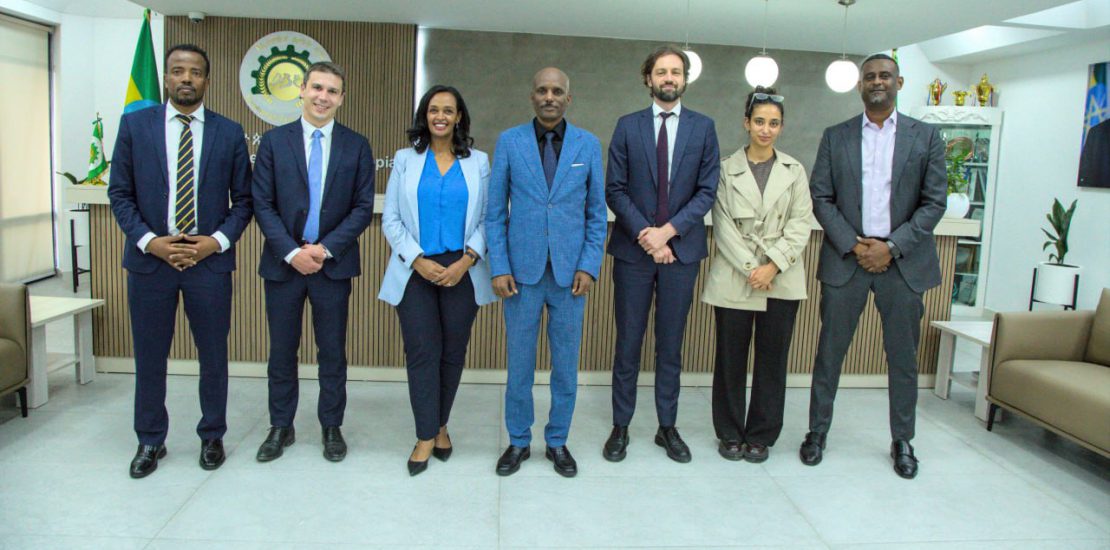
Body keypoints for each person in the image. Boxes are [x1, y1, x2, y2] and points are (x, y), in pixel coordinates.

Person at [108, 44, 253, 478]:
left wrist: (216, 243)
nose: (186, 78)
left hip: (208, 264)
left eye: (195, 72)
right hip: (151, 263)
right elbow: (120, 193)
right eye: (177, 71)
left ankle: (212, 434)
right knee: (150, 356)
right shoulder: (135, 126)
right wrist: (150, 242)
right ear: (167, 78)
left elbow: (244, 201)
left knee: (213, 355)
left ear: (207, 79)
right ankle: (150, 439)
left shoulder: (229, 132)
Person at [802, 53, 946, 479]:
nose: (877, 82)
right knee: (829, 354)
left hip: (903, 264)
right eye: (870, 77)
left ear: (899, 82)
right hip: (847, 260)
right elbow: (820, 196)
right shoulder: (836, 136)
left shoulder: (926, 137)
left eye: (885, 76)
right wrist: (855, 244)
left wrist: (892, 247)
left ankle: (903, 441)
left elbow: (934, 202)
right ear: (860, 85)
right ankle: (816, 433)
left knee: (903, 358)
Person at [485, 67, 607, 478]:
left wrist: (589, 265)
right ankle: (518, 440)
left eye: (557, 91)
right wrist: (499, 266)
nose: (549, 97)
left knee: (566, 366)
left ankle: (557, 441)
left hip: (571, 276)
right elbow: (494, 213)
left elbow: (596, 215)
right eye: (542, 90)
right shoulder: (510, 141)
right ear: (532, 96)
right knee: (519, 365)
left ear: (568, 98)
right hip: (521, 275)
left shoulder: (588, 145)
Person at [251, 61, 375, 463]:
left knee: (332, 351)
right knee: (282, 350)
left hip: (332, 266)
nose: (323, 97)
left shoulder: (357, 146)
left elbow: (362, 207)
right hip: (283, 264)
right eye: (317, 88)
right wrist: (292, 252)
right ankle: (280, 426)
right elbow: (262, 203)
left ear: (342, 98)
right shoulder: (274, 143)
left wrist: (323, 249)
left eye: (332, 91)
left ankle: (331, 426)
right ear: (302, 90)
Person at [604, 45, 720, 463]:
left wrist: (667, 233)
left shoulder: (703, 128)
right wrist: (647, 236)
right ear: (648, 79)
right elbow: (614, 189)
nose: (669, 78)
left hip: (681, 253)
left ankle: (666, 427)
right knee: (628, 343)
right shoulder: (627, 126)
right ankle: (621, 426)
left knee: (670, 345)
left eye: (676, 72)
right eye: (661, 72)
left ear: (685, 79)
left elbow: (707, 190)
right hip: (633, 254)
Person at [379, 85, 495, 476]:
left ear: (459, 117)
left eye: (448, 110)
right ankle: (425, 435)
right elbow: (391, 218)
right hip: (415, 268)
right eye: (433, 110)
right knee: (421, 353)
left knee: (452, 353)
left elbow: (489, 218)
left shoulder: (478, 162)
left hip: (463, 269)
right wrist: (416, 260)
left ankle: (441, 424)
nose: (440, 116)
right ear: (424, 116)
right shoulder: (405, 160)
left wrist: (466, 260)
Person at [702, 87, 812, 463]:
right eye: (760, 121)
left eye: (774, 123)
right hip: (737, 274)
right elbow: (722, 224)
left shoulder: (795, 171)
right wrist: (753, 269)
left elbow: (801, 223)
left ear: (781, 127)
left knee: (772, 360)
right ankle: (730, 432)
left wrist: (773, 265)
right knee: (730, 358)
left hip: (781, 276)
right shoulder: (724, 169)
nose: (766, 129)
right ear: (746, 123)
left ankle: (762, 435)